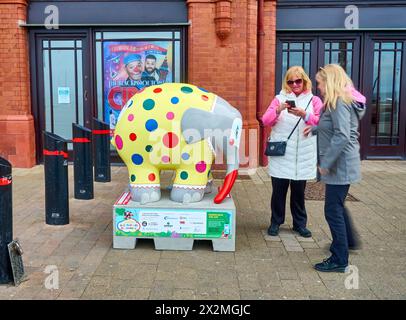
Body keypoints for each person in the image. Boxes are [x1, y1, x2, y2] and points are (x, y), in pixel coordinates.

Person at [303, 64, 366, 273]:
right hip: (342, 164)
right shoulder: (336, 102)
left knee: (332, 210)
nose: (318, 87)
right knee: (337, 205)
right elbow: (332, 127)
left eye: (319, 82)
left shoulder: (339, 102)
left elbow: (342, 135)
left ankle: (339, 259)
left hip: (340, 165)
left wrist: (326, 163)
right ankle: (348, 242)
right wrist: (313, 129)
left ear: (329, 82)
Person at [262, 66, 323, 238]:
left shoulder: (314, 101)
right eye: (291, 81)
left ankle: (299, 224)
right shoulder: (279, 99)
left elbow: (322, 122)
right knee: (278, 192)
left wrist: (305, 115)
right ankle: (275, 221)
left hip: (303, 154)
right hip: (283, 153)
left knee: (299, 193)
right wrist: (278, 109)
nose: (295, 84)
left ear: (304, 81)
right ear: (286, 83)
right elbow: (266, 120)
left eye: (298, 81)